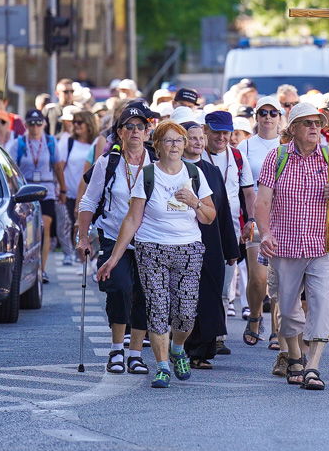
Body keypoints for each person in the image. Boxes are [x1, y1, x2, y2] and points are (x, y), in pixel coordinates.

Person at [97, 120, 216, 388]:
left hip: (188, 248)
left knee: (185, 313)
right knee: (158, 309)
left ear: (185, 145)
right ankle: (162, 366)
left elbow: (209, 217)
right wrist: (113, 259)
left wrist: (195, 202)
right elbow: (132, 219)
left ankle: (177, 349)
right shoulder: (148, 174)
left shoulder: (195, 174)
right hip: (152, 248)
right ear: (158, 146)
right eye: (168, 141)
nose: (174, 145)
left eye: (178, 140)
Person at [254, 103, 329, 390]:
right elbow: (262, 202)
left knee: (321, 305)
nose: (314, 127)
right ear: (293, 128)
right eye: (307, 123)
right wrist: (265, 233)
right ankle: (295, 357)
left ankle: (312, 366)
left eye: (317, 122)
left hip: (322, 245)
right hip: (285, 246)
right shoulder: (277, 157)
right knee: (287, 310)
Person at [77, 106, 154, 376]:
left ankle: (135, 354)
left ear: (147, 132)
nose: (135, 132)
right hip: (112, 236)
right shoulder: (108, 162)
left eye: (140, 127)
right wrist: (83, 236)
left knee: (145, 295)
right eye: (129, 127)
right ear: (120, 132)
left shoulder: (155, 163)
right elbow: (89, 199)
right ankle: (116, 349)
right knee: (120, 288)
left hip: (149, 240)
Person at [181, 121, 240, 369]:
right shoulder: (173, 170)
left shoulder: (213, 171)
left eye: (199, 137)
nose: (197, 142)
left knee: (210, 295)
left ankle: (203, 351)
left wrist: (231, 249)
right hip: (181, 241)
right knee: (186, 297)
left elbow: (223, 211)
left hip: (212, 242)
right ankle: (183, 347)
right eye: (191, 138)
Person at [202, 111, 256, 353]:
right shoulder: (195, 154)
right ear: (206, 131)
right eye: (217, 132)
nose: (222, 137)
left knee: (225, 280)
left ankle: (218, 335)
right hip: (199, 224)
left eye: (226, 132)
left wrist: (251, 220)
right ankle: (198, 333)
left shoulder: (237, 155)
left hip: (230, 226)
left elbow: (248, 192)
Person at [239, 97, 284, 358]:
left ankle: (277, 330)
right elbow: (244, 188)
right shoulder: (245, 146)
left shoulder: (287, 146)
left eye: (273, 113)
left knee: (279, 277)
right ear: (256, 117)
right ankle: (255, 314)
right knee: (258, 277)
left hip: (283, 215)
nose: (268, 117)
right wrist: (249, 218)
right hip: (256, 217)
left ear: (280, 117)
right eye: (263, 113)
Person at [7, 109, 66, 283]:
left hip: (45, 190)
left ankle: (42, 269)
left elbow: (58, 167)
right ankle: (29, 266)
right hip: (26, 190)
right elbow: (10, 170)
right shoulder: (18, 143)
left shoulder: (50, 142)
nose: (35, 127)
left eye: (38, 123)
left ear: (44, 124)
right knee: (28, 228)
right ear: (26, 125)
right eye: (31, 124)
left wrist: (63, 189)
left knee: (45, 225)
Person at [55, 110, 98, 267]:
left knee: (84, 227)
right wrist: (62, 189)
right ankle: (70, 254)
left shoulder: (96, 143)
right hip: (69, 192)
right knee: (68, 225)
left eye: (80, 122)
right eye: (74, 122)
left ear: (89, 124)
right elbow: (59, 166)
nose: (76, 125)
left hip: (88, 194)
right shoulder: (68, 142)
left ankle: (85, 260)